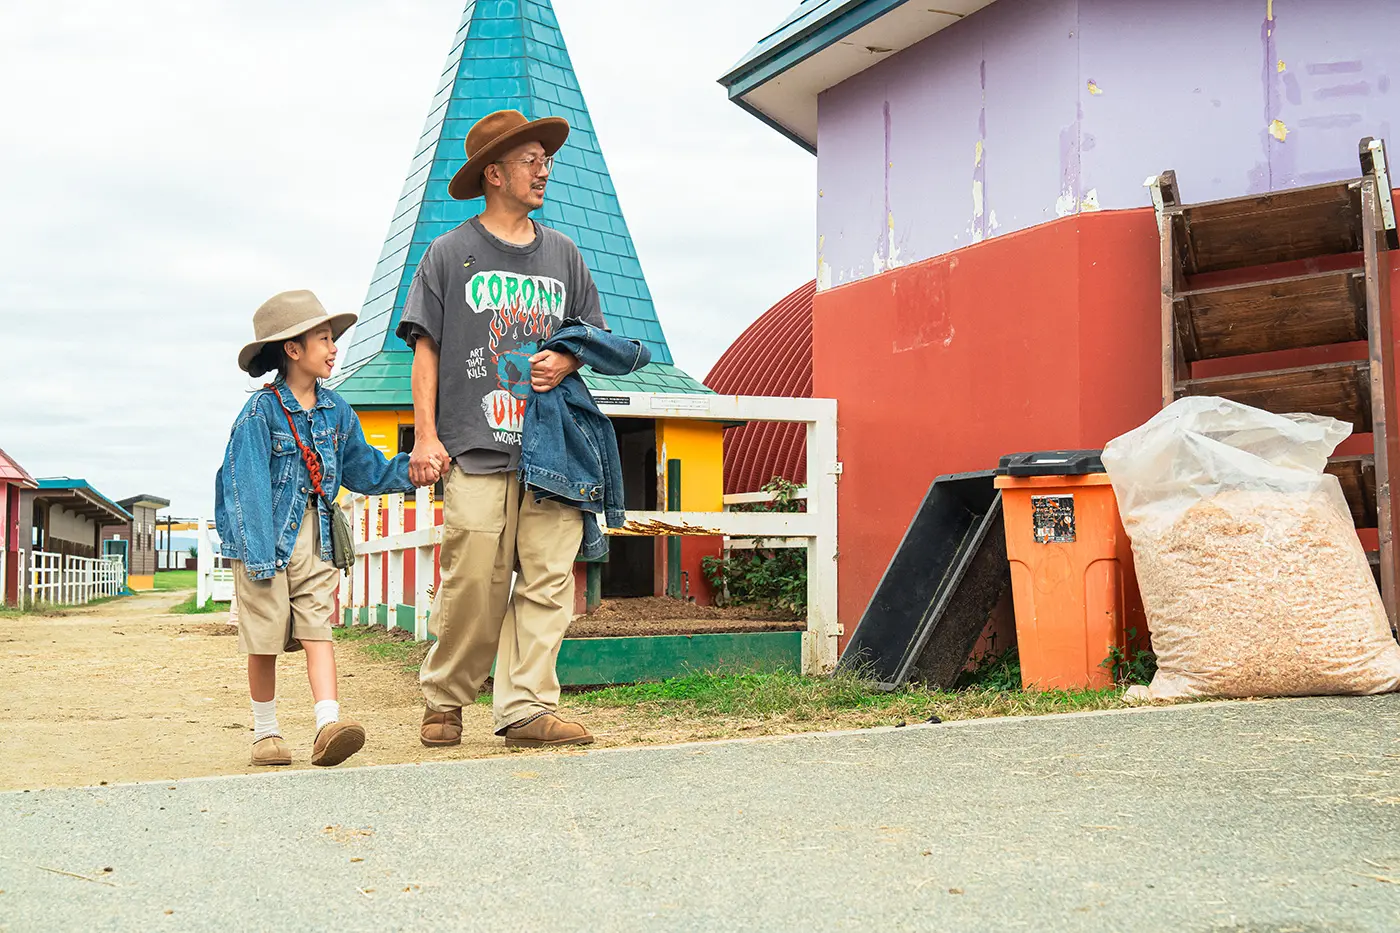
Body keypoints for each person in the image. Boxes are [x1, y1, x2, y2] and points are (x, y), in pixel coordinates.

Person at [399, 109, 637, 749]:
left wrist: (567, 356)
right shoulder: (449, 255)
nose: (544, 169)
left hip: (555, 450)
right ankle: (447, 698)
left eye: (545, 159)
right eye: (530, 160)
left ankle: (526, 707)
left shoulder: (564, 254)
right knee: (474, 576)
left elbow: (591, 335)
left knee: (549, 581)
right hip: (476, 447)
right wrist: (426, 436)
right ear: (494, 173)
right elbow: (425, 349)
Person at [215, 290, 422, 767]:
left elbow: (366, 470)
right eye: (324, 339)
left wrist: (413, 469)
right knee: (264, 637)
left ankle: (328, 724)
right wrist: (259, 557)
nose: (333, 348)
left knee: (317, 629)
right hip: (265, 538)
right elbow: (244, 489)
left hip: (319, 535)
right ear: (292, 349)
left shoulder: (338, 412)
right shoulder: (259, 415)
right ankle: (266, 733)